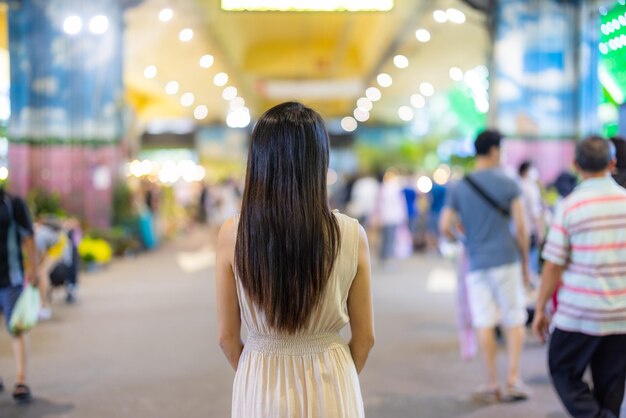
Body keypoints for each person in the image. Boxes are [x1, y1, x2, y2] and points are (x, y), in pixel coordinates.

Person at [216, 102, 375, 418]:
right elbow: (365, 337)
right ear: (319, 161)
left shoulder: (233, 233)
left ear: (259, 160)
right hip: (332, 378)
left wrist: (256, 373)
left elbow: (227, 338)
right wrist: (338, 377)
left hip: (261, 378)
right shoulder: (351, 233)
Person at [533, 136, 626, 418]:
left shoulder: (571, 205)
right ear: (612, 164)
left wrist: (540, 308)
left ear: (575, 165)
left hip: (580, 313)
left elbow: (553, 264)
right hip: (621, 315)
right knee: (611, 386)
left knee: (562, 370)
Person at [440, 129, 530, 402]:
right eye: (501, 151)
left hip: (476, 262)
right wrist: (526, 263)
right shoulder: (508, 183)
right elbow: (522, 229)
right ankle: (513, 379)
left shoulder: (460, 186)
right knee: (514, 318)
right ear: (493, 151)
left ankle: (492, 383)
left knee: (483, 321)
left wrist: (465, 240)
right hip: (506, 259)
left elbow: (444, 227)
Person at [0, 188, 38, 403]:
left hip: (11, 278)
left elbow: (29, 237)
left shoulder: (12, 203)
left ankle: (21, 380)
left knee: (16, 327)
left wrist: (33, 269)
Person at [518, 160, 545, 277]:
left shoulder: (516, 185)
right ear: (527, 171)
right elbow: (536, 213)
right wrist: (541, 232)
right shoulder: (531, 188)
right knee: (531, 266)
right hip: (530, 232)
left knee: (521, 264)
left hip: (517, 232)